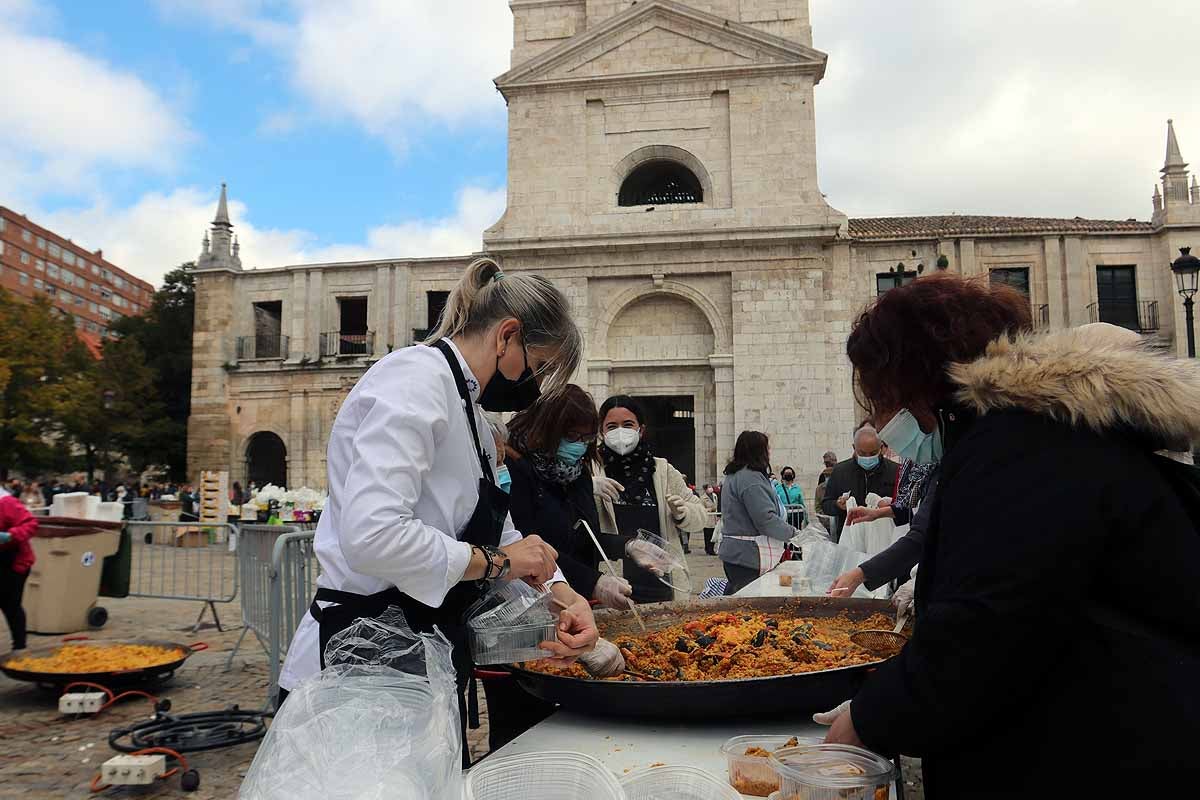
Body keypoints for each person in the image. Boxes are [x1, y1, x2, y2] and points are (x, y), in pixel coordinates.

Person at [818, 274, 1200, 797]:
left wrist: (870, 719)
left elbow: (985, 630)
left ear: (914, 381)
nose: (879, 421)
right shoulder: (1043, 436)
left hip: (1108, 755)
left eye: (880, 401)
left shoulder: (1018, 451)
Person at [277, 257, 598, 760]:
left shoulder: (468, 410)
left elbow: (504, 533)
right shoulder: (415, 379)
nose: (529, 385)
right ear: (506, 336)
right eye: (534, 367)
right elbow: (374, 534)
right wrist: (500, 563)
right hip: (359, 674)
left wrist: (563, 594)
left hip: (423, 668)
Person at [492, 384, 629, 750]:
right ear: (549, 430)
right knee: (523, 732)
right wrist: (593, 583)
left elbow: (584, 537)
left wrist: (625, 547)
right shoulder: (515, 471)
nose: (580, 445)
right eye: (572, 437)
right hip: (522, 616)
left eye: (587, 438)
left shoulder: (579, 471)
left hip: (570, 608)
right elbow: (526, 548)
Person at [593, 395, 708, 602]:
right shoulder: (592, 472)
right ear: (602, 432)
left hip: (663, 582)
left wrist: (684, 513)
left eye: (628, 424)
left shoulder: (662, 470)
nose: (620, 432)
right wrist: (588, 487)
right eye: (612, 426)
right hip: (614, 586)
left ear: (641, 429)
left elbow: (701, 516)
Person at [717, 431, 798, 595]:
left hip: (738, 556)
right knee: (749, 606)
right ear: (758, 451)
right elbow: (765, 520)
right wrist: (795, 534)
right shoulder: (750, 478)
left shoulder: (737, 475)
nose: (769, 452)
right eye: (767, 448)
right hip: (748, 558)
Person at [819, 426, 899, 540]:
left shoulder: (895, 471)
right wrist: (838, 505)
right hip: (851, 538)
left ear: (881, 448)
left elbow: (904, 508)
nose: (868, 457)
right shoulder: (840, 471)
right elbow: (826, 504)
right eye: (862, 453)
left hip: (885, 537)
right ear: (854, 448)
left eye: (873, 453)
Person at [0, 492, 37, 652]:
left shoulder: (6, 502)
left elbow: (31, 524)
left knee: (10, 605)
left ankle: (20, 648)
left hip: (14, 563)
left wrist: (10, 535)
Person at [700, 484, 719, 555]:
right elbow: (701, 508)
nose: (710, 488)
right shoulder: (703, 498)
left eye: (711, 487)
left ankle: (711, 549)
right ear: (705, 489)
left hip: (714, 518)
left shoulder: (714, 496)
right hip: (707, 519)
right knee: (707, 535)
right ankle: (708, 549)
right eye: (708, 487)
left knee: (713, 534)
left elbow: (717, 504)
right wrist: (710, 509)